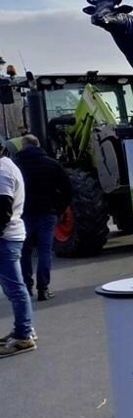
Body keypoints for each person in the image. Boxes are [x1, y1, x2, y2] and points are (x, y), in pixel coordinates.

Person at [13, 135, 72, 301]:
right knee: (45, 251)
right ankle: (43, 289)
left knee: (24, 251)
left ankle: (26, 286)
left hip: (23, 214)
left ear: (22, 147)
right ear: (38, 145)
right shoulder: (52, 164)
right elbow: (67, 189)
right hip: (47, 213)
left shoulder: (16, 166)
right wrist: (58, 209)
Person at [0, 142, 36, 357]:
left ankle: (24, 335)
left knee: (15, 289)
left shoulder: (2, 170)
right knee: (14, 288)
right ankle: (23, 329)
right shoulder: (6, 166)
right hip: (10, 235)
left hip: (6, 237)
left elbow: (3, 207)